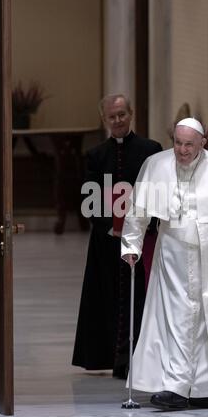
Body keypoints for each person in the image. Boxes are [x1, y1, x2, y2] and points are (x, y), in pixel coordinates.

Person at [121, 118, 208, 409]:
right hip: (171, 258)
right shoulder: (156, 165)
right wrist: (131, 244)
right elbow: (139, 210)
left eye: (188, 145)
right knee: (176, 322)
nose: (181, 151)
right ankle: (176, 386)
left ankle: (204, 390)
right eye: (177, 143)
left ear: (202, 144)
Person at [72, 94, 162, 379]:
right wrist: (108, 226)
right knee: (109, 297)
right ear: (105, 120)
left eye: (122, 114)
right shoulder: (96, 155)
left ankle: (140, 358)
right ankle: (114, 357)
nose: (118, 120)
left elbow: (158, 191)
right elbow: (88, 196)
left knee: (141, 297)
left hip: (142, 241)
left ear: (131, 114)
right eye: (112, 116)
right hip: (107, 241)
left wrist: (145, 226)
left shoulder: (151, 150)